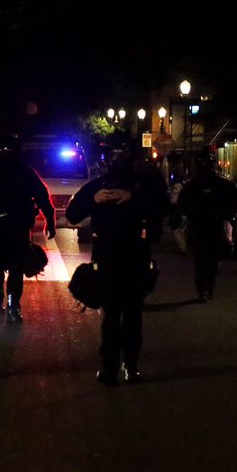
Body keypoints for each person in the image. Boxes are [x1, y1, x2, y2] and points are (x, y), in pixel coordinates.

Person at [65, 132, 169, 386]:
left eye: (123, 154)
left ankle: (130, 366)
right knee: (111, 317)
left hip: (135, 258)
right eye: (115, 155)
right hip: (108, 261)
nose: (119, 159)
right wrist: (94, 199)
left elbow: (164, 208)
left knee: (131, 316)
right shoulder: (98, 186)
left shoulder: (145, 184)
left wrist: (133, 198)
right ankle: (109, 368)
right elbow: (73, 214)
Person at [0, 131, 57, 323]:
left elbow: (42, 196)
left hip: (12, 228)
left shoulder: (20, 172)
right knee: (4, 266)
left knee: (8, 266)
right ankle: (2, 303)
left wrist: (50, 219)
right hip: (0, 228)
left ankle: (6, 304)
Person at [176, 151, 237, 302]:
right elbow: (182, 204)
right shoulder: (199, 184)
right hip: (204, 226)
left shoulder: (213, 184)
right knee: (207, 259)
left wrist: (228, 213)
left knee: (207, 259)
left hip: (208, 225)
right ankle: (205, 289)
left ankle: (205, 288)